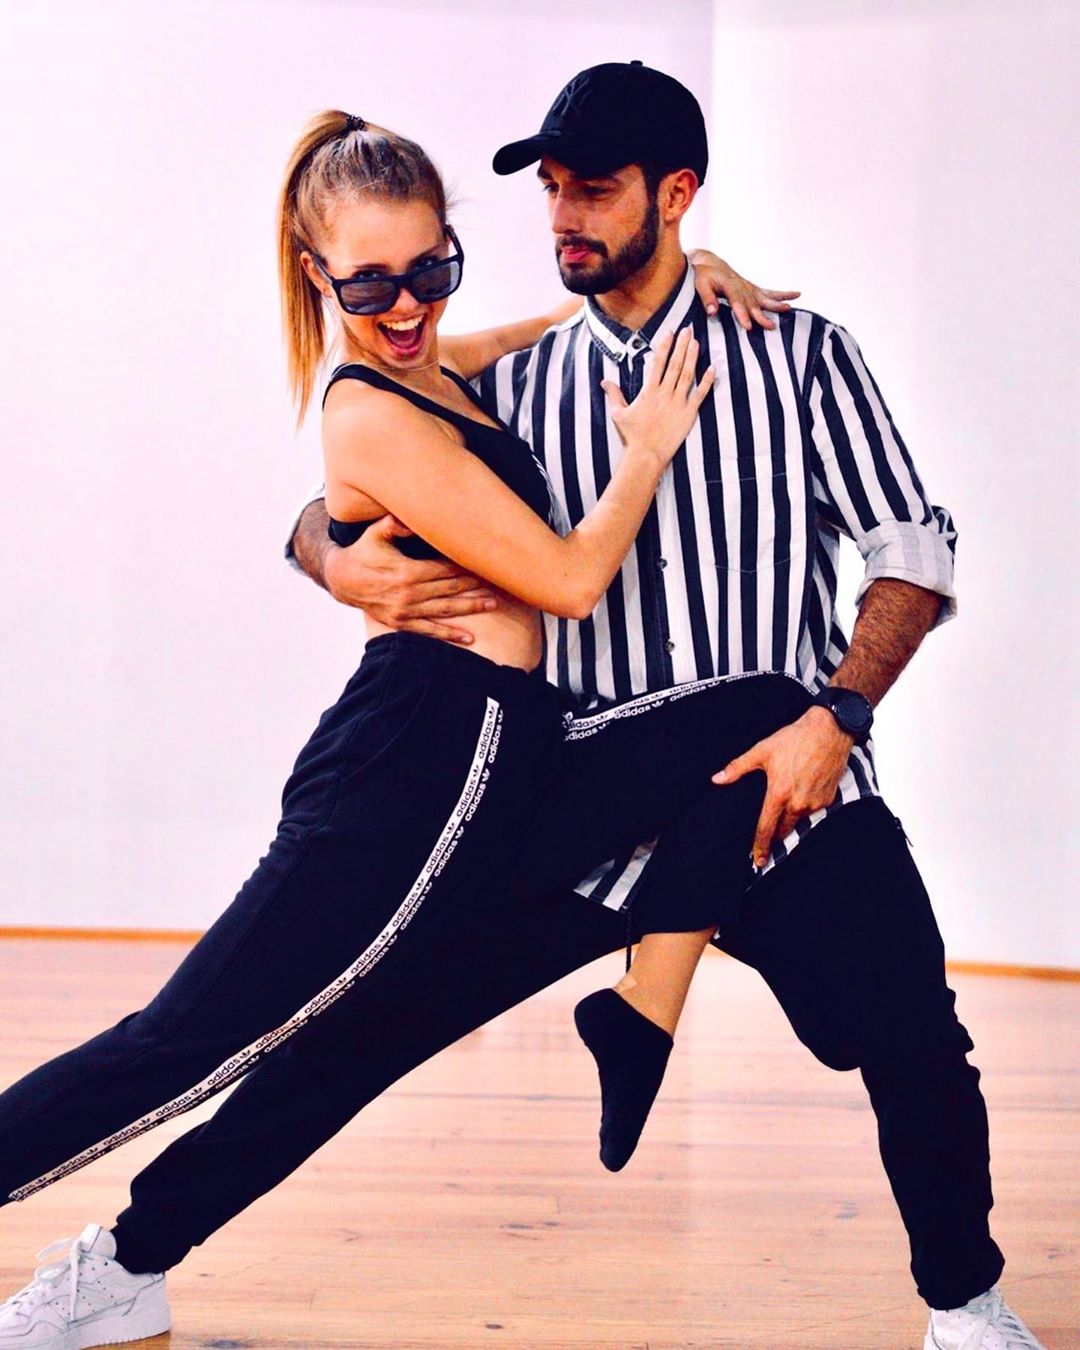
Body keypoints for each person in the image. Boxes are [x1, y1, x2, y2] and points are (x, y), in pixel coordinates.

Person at [0, 108, 815, 1350]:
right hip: (412, 770)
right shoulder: (368, 411)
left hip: (507, 753)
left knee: (764, 707)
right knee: (189, 1044)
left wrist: (680, 272)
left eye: (431, 271)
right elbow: (570, 580)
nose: (405, 307)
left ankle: (642, 1006)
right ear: (315, 272)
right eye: (370, 283)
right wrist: (644, 455)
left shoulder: (428, 365)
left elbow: (528, 332)